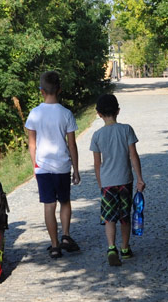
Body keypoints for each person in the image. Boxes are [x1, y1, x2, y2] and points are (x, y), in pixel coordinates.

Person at [24, 71, 81, 259]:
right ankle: (66, 235)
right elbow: (71, 144)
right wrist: (76, 169)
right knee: (65, 201)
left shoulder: (34, 113)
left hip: (43, 166)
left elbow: (32, 143)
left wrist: (35, 165)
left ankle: (54, 245)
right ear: (60, 90)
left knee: (49, 205)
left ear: (41, 91)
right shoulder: (66, 114)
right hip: (62, 166)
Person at [89, 93, 146, 266]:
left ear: (98, 113)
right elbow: (133, 155)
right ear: (118, 111)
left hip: (107, 182)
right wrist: (140, 179)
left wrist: (100, 184)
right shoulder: (126, 129)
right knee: (125, 217)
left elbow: (97, 164)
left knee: (109, 217)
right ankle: (125, 248)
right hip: (125, 180)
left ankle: (111, 247)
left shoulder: (97, 135)